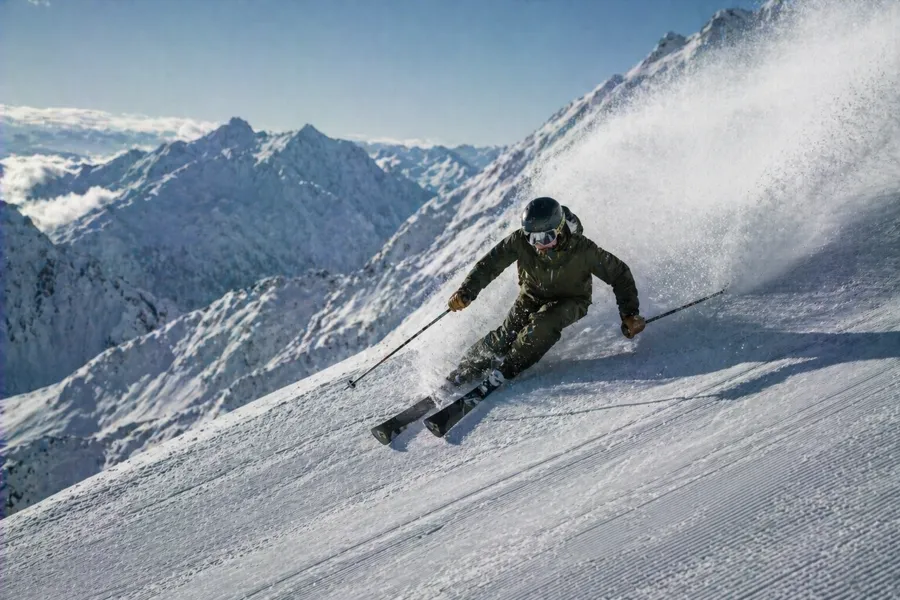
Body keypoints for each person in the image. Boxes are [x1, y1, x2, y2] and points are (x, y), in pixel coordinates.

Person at [442, 196, 645, 396]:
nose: (539, 245)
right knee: (505, 337)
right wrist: (466, 292)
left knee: (542, 325)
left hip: (571, 299)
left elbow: (619, 273)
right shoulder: (519, 241)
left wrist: (629, 313)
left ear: (559, 230)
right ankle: (465, 370)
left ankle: (507, 369)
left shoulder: (582, 249)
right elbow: (490, 265)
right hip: (532, 294)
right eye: (532, 238)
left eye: (546, 238)